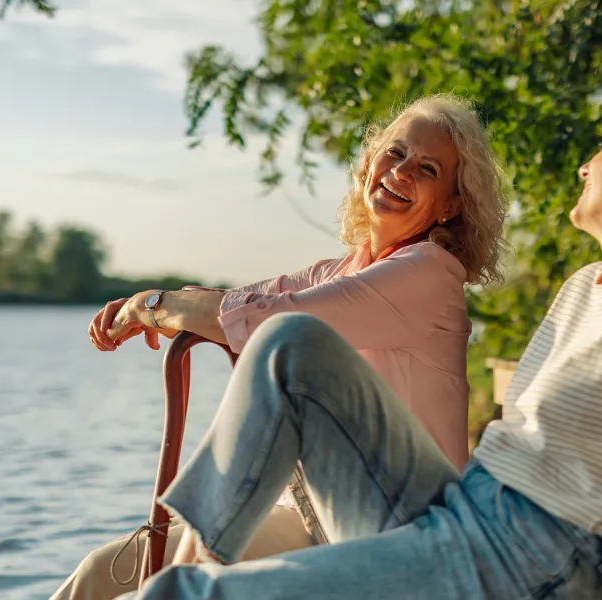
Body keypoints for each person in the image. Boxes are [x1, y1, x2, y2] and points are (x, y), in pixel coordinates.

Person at [117, 77, 602, 600]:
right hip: (472, 513)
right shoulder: (586, 286)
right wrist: (170, 303)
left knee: (182, 594)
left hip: (532, 555)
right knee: (289, 344)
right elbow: (266, 308)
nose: (584, 165)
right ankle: (202, 553)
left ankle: (193, 573)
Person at [51, 93, 508, 600]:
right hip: (313, 518)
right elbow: (241, 300)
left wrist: (153, 306)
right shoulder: (340, 272)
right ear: (368, 165)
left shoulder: (428, 274)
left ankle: (182, 583)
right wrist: (153, 302)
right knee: (101, 572)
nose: (401, 172)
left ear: (451, 205)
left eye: (427, 168)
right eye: (395, 153)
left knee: (167, 584)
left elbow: (274, 320)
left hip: (396, 531)